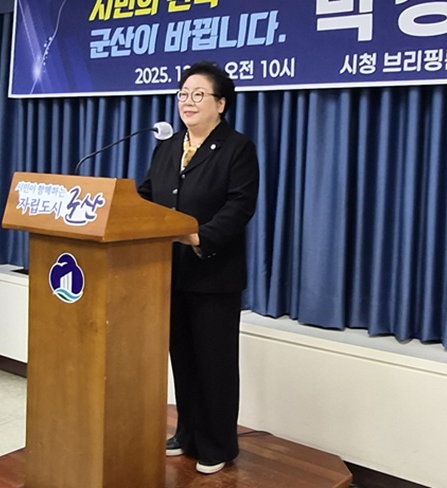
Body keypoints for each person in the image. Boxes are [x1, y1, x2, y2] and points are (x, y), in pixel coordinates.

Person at [137, 61, 259, 475]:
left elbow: (240, 206)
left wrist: (197, 236)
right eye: (183, 94)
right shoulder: (168, 146)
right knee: (184, 359)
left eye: (198, 95)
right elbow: (146, 196)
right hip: (169, 272)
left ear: (220, 104)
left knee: (215, 363)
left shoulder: (237, 148)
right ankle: (188, 433)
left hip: (213, 274)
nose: (187, 102)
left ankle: (218, 443)